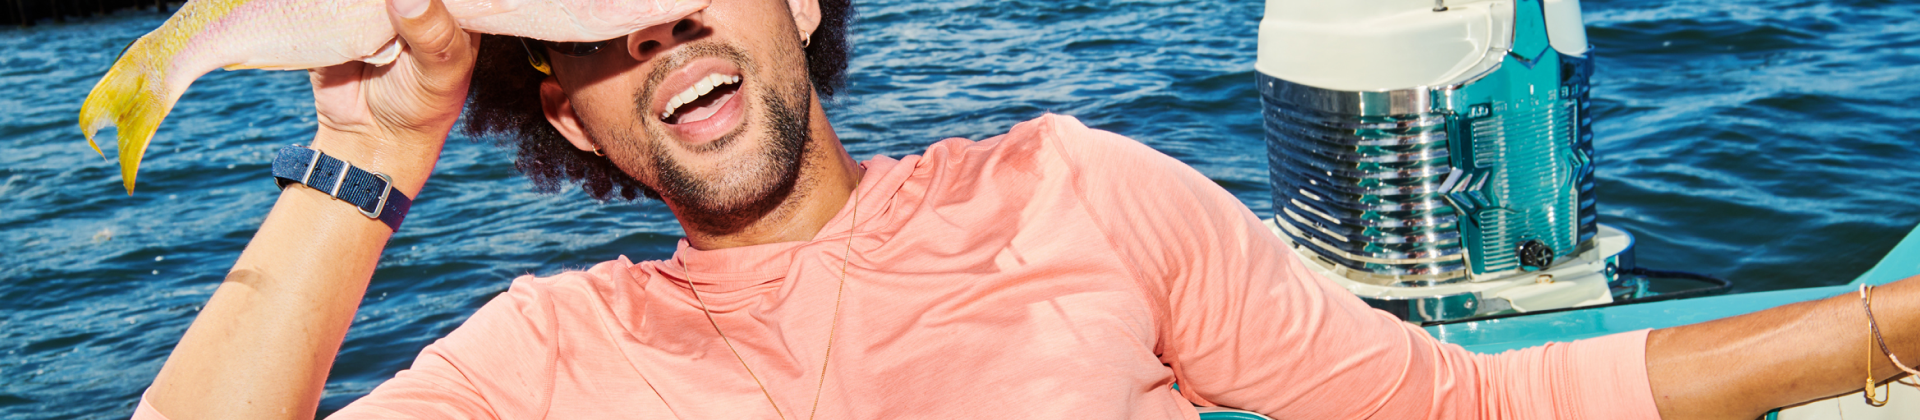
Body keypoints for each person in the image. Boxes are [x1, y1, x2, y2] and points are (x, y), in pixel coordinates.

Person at [131, 0, 1920, 418]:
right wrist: (364, 157)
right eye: (593, 32)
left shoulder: (1074, 184)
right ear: (576, 128)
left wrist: (1879, 328)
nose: (662, 23)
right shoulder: (546, 353)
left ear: (802, 8)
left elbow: (1466, 405)